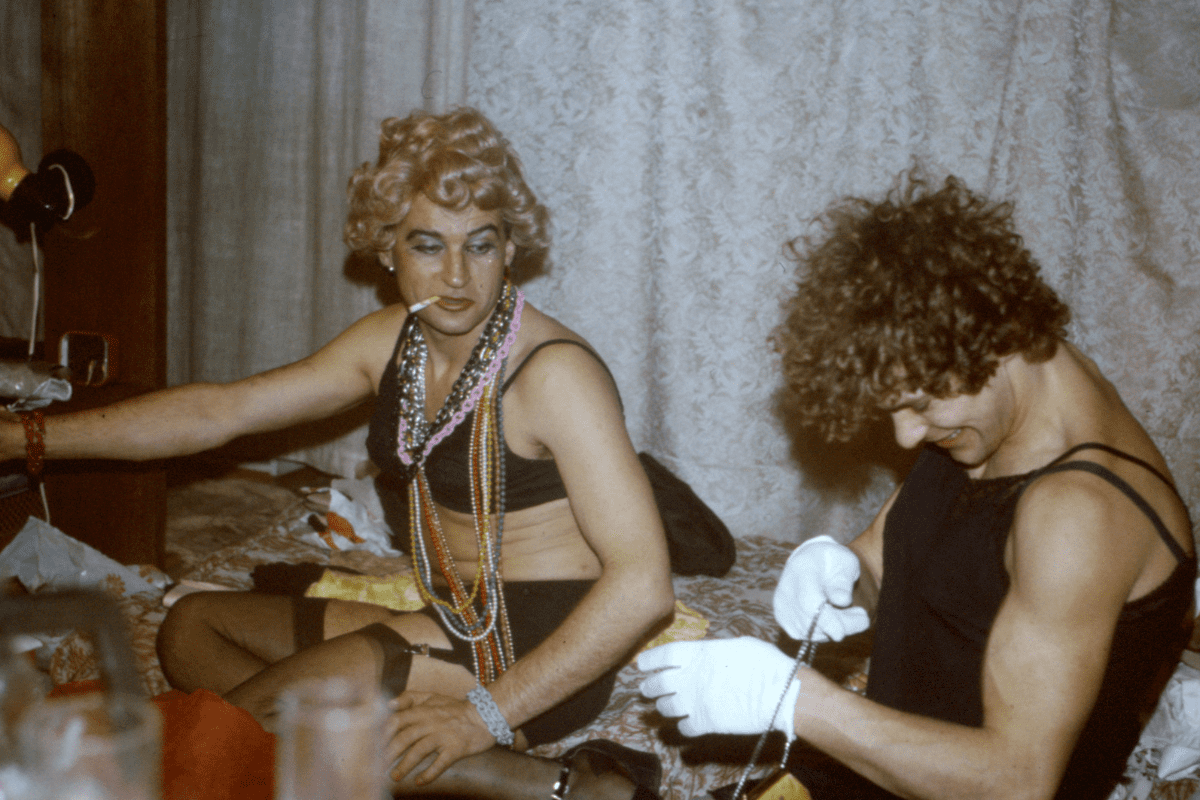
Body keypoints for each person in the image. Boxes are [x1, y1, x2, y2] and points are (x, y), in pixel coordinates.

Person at [1, 107, 673, 800]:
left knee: (231, 725)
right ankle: (551, 783)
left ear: (510, 246)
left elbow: (644, 586)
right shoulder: (391, 343)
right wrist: (24, 438)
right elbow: (219, 412)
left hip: (534, 643)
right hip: (455, 613)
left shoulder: (554, 375)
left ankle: (559, 785)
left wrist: (483, 714)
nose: (457, 277)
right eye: (426, 246)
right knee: (189, 630)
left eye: (480, 245)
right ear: (386, 250)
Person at [638, 172, 1196, 800]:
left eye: (920, 404)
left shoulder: (1080, 513)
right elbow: (897, 554)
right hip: (873, 778)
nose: (905, 438)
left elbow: (1018, 784)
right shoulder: (986, 400)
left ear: (1001, 336)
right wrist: (846, 573)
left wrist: (799, 704)